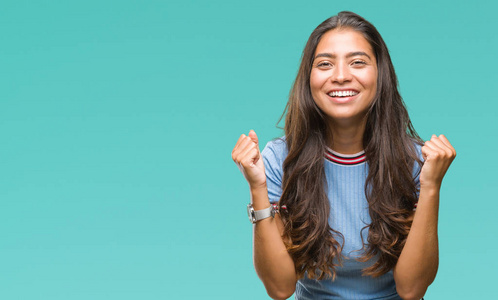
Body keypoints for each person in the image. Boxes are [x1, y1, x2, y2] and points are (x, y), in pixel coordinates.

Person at [231, 11, 456, 300]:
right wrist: (257, 188)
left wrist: (431, 187)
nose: (340, 76)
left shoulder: (414, 160)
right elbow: (280, 288)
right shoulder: (279, 159)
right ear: (308, 78)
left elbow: (412, 289)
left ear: (380, 74)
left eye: (358, 62)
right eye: (325, 64)